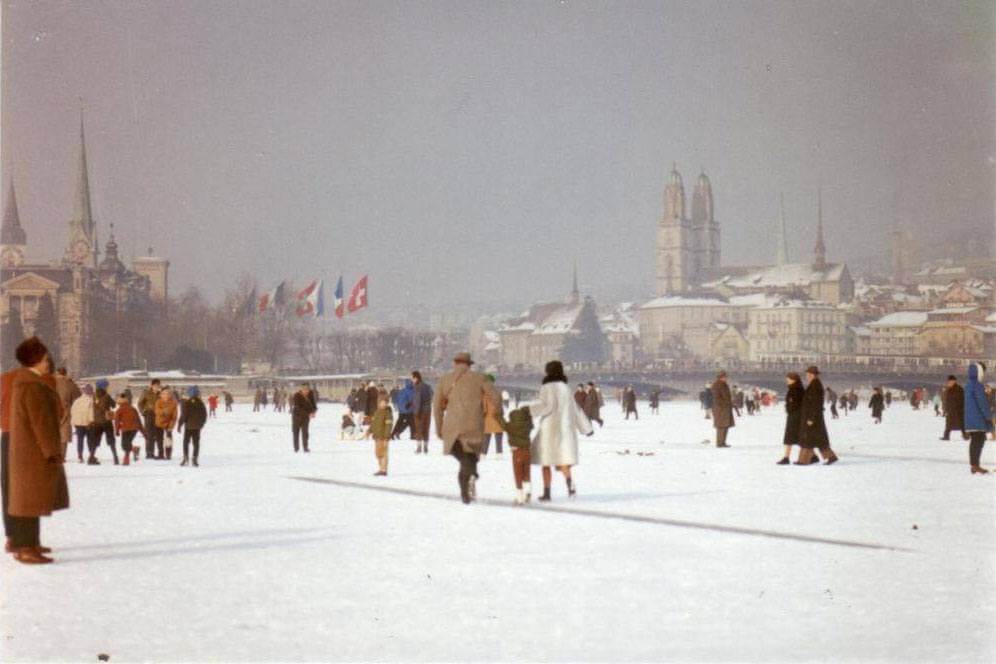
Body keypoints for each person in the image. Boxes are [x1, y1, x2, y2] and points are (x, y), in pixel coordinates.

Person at [6, 337, 69, 564]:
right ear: (35, 361)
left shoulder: (28, 382)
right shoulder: (32, 386)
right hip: (33, 454)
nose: (47, 363)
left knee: (30, 501)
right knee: (28, 502)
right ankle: (25, 547)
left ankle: (31, 543)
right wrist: (52, 451)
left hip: (28, 453)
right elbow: (41, 423)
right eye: (44, 359)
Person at [432, 352, 499, 504]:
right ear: (469, 364)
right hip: (474, 424)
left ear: (455, 363)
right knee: (470, 455)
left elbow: (436, 407)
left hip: (452, 426)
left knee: (463, 458)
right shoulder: (480, 378)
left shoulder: (445, 380)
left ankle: (466, 490)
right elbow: (496, 396)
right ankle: (471, 478)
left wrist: (439, 427)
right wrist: (498, 413)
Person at [529, 360, 593, 501]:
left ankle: (547, 492)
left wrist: (528, 410)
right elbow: (575, 409)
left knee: (545, 462)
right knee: (563, 460)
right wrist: (586, 428)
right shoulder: (566, 388)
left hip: (549, 428)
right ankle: (570, 484)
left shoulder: (546, 387)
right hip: (565, 428)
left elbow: (546, 406)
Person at [797, 366, 839, 465]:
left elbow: (816, 403)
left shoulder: (815, 385)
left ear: (812, 375)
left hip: (813, 417)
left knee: (809, 438)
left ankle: (804, 460)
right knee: (818, 439)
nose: (806, 376)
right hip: (814, 416)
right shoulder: (814, 384)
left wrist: (811, 417)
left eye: (807, 374)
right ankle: (829, 457)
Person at [501, 406, 534, 504]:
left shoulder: (510, 426)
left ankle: (520, 498)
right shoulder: (527, 425)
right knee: (526, 473)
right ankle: (528, 491)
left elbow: (501, 422)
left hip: (517, 452)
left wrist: (496, 414)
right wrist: (527, 413)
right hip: (527, 451)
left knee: (518, 474)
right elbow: (530, 420)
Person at [964, 362, 992, 474]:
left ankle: (974, 465)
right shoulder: (977, 386)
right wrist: (989, 417)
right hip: (977, 418)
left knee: (976, 440)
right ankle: (975, 465)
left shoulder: (968, 384)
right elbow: (982, 403)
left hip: (970, 418)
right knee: (978, 441)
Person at [778, 372, 805, 465]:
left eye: (788, 379)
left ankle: (786, 457)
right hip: (795, 416)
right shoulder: (797, 388)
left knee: (791, 437)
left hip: (794, 416)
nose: (787, 380)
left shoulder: (795, 389)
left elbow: (795, 403)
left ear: (793, 380)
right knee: (797, 437)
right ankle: (812, 456)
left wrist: (790, 409)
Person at [53, 368, 80, 460]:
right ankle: (62, 455)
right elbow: (78, 397)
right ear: (65, 373)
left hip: (52, 410)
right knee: (63, 435)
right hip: (66, 411)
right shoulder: (70, 384)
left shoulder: (50, 382)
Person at [177, 386, 208, 467]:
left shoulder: (186, 403)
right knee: (196, 443)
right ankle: (195, 458)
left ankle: (186, 457)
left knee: (186, 442)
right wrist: (201, 424)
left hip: (188, 426)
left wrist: (180, 425)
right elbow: (204, 415)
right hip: (197, 427)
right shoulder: (201, 403)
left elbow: (184, 415)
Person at [91, 379, 119, 465]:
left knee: (95, 440)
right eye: (107, 386)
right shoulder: (107, 396)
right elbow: (114, 405)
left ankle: (91, 457)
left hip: (97, 421)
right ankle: (115, 458)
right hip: (106, 421)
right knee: (111, 440)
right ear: (104, 387)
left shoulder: (94, 396)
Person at [114, 392, 143, 465]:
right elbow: (138, 420)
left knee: (125, 444)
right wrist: (142, 431)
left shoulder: (119, 410)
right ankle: (134, 449)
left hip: (127, 429)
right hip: (133, 429)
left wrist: (117, 431)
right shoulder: (132, 409)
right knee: (126, 443)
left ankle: (126, 459)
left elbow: (117, 421)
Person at [138, 379, 162, 459]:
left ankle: (153, 452)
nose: (156, 387)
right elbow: (140, 403)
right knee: (149, 434)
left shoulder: (160, 394)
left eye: (158, 385)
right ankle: (148, 452)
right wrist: (143, 412)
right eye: (155, 385)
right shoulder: (146, 392)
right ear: (152, 385)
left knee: (155, 434)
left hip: (157, 415)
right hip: (149, 414)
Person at [70, 386, 94, 464]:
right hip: (87, 423)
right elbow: (91, 412)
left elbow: (72, 411)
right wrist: (91, 421)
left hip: (78, 423)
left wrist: (74, 422)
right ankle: (91, 455)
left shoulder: (77, 401)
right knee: (90, 440)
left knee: (80, 440)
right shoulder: (91, 401)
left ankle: (80, 456)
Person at [290, 383, 317, 453]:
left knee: (305, 433)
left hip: (305, 417)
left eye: (307, 389)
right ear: (301, 389)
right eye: (305, 389)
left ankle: (305, 447)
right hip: (297, 416)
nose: (306, 391)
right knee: (296, 432)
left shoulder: (310, 394)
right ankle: (296, 448)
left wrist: (313, 411)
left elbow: (313, 404)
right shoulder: (297, 395)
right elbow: (298, 406)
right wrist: (309, 412)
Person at [370, 396, 394, 476]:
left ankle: (383, 470)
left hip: (383, 437)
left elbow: (388, 426)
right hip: (377, 436)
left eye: (385, 403)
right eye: (381, 402)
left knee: (383, 453)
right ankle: (381, 468)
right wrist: (370, 430)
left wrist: (387, 438)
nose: (383, 404)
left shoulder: (387, 413)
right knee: (377, 453)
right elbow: (374, 423)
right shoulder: (377, 412)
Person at [482, 374, 505, 456]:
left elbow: (483, 408)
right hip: (498, 417)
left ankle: (483, 454)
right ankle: (499, 453)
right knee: (498, 436)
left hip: (488, 418)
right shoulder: (498, 391)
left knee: (486, 437)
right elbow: (501, 405)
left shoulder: (484, 393)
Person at [411, 371, 433, 454]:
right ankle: (426, 447)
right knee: (426, 428)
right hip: (428, 410)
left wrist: (416, 412)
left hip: (420, 410)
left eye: (412, 378)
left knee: (419, 428)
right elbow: (431, 395)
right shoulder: (427, 386)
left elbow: (417, 400)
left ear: (416, 378)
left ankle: (419, 447)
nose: (412, 380)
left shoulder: (417, 387)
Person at [711, 371, 734, 448]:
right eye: (725, 377)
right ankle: (720, 443)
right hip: (720, 409)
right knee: (721, 426)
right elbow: (716, 398)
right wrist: (724, 404)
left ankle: (723, 442)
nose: (726, 378)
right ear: (721, 377)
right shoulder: (717, 385)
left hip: (725, 408)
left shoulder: (723, 385)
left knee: (725, 425)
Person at [154, 387, 178, 460]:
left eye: (168, 393)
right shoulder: (158, 402)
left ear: (170, 395)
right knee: (159, 439)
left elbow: (174, 416)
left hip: (168, 424)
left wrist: (171, 425)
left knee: (168, 440)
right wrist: (164, 411)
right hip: (159, 423)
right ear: (161, 395)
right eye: (164, 394)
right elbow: (156, 411)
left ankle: (168, 454)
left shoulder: (174, 402)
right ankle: (160, 454)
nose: (166, 395)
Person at [941, 375, 966, 441]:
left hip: (958, 410)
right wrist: (945, 409)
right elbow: (946, 399)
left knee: (961, 424)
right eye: (949, 381)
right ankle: (946, 436)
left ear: (954, 381)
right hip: (950, 410)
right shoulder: (948, 389)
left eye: (951, 381)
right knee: (948, 424)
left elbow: (962, 399)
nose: (950, 383)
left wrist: (960, 407)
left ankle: (965, 435)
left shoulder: (959, 389)